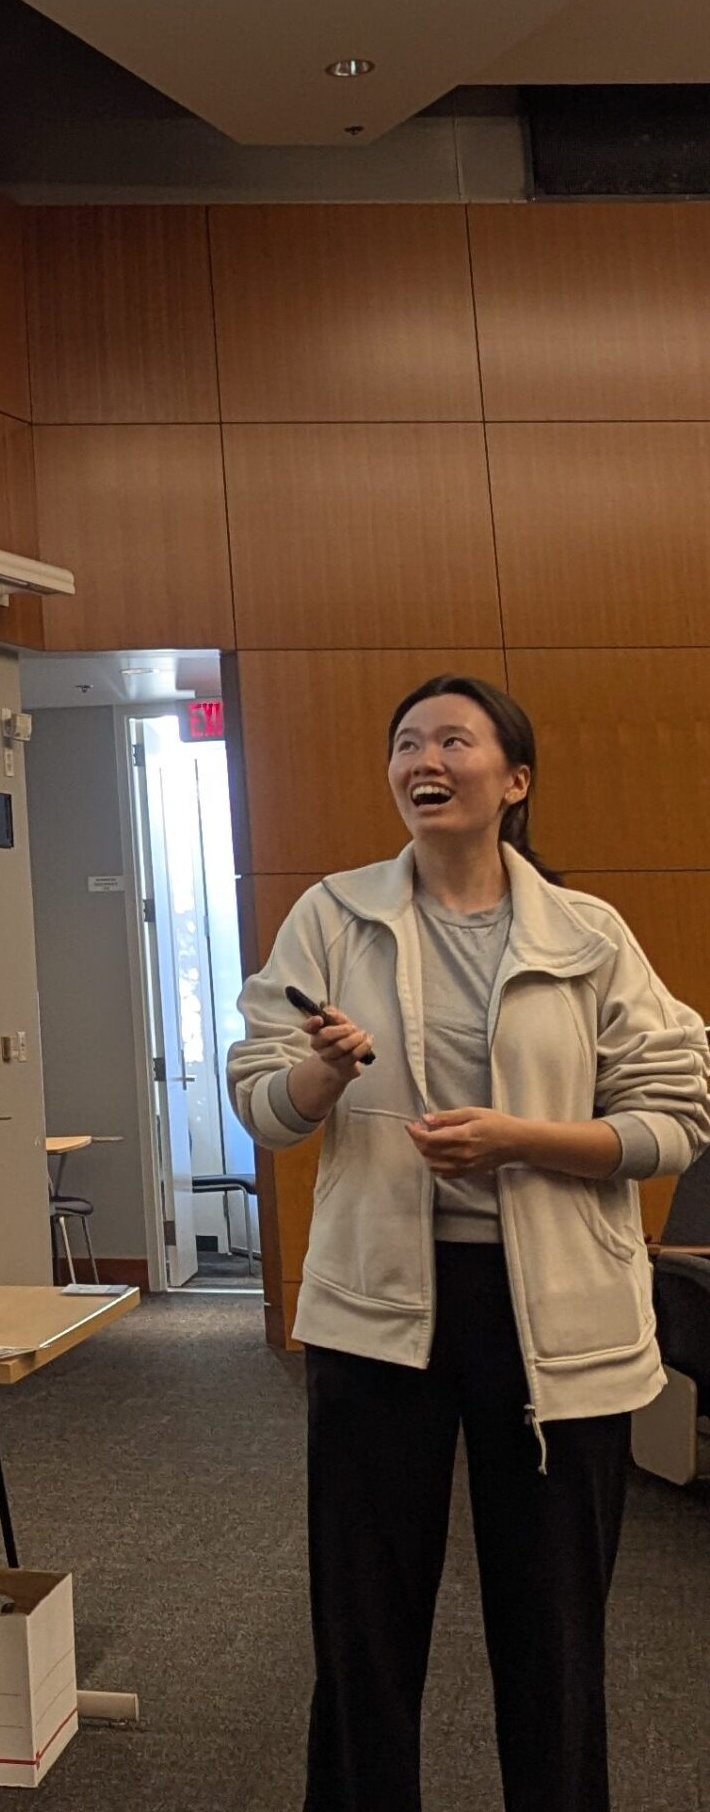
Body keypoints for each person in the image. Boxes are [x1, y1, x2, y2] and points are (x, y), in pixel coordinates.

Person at [229, 674, 709, 1812]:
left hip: (556, 1315)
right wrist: (320, 1073)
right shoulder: (332, 916)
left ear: (514, 779)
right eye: (405, 743)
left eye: (452, 740)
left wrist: (522, 1141)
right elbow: (259, 1099)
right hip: (377, 1308)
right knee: (364, 1625)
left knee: (552, 1629)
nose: (423, 760)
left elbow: (676, 1117)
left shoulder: (587, 935)